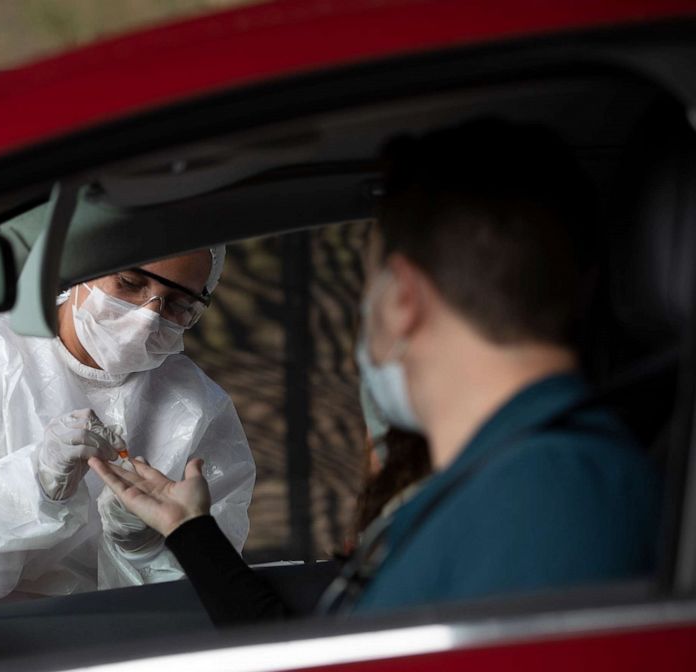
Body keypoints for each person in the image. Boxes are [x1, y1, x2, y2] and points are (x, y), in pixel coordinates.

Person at [90, 119, 661, 624]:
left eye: (369, 286)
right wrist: (190, 530)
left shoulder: (548, 496)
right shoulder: (516, 475)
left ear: (403, 298)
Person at [0, 244, 256, 613]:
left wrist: (143, 546)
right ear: (85, 268)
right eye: (130, 283)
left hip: (110, 645)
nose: (146, 317)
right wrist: (30, 483)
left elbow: (212, 590)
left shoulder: (198, 408)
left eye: (178, 305)